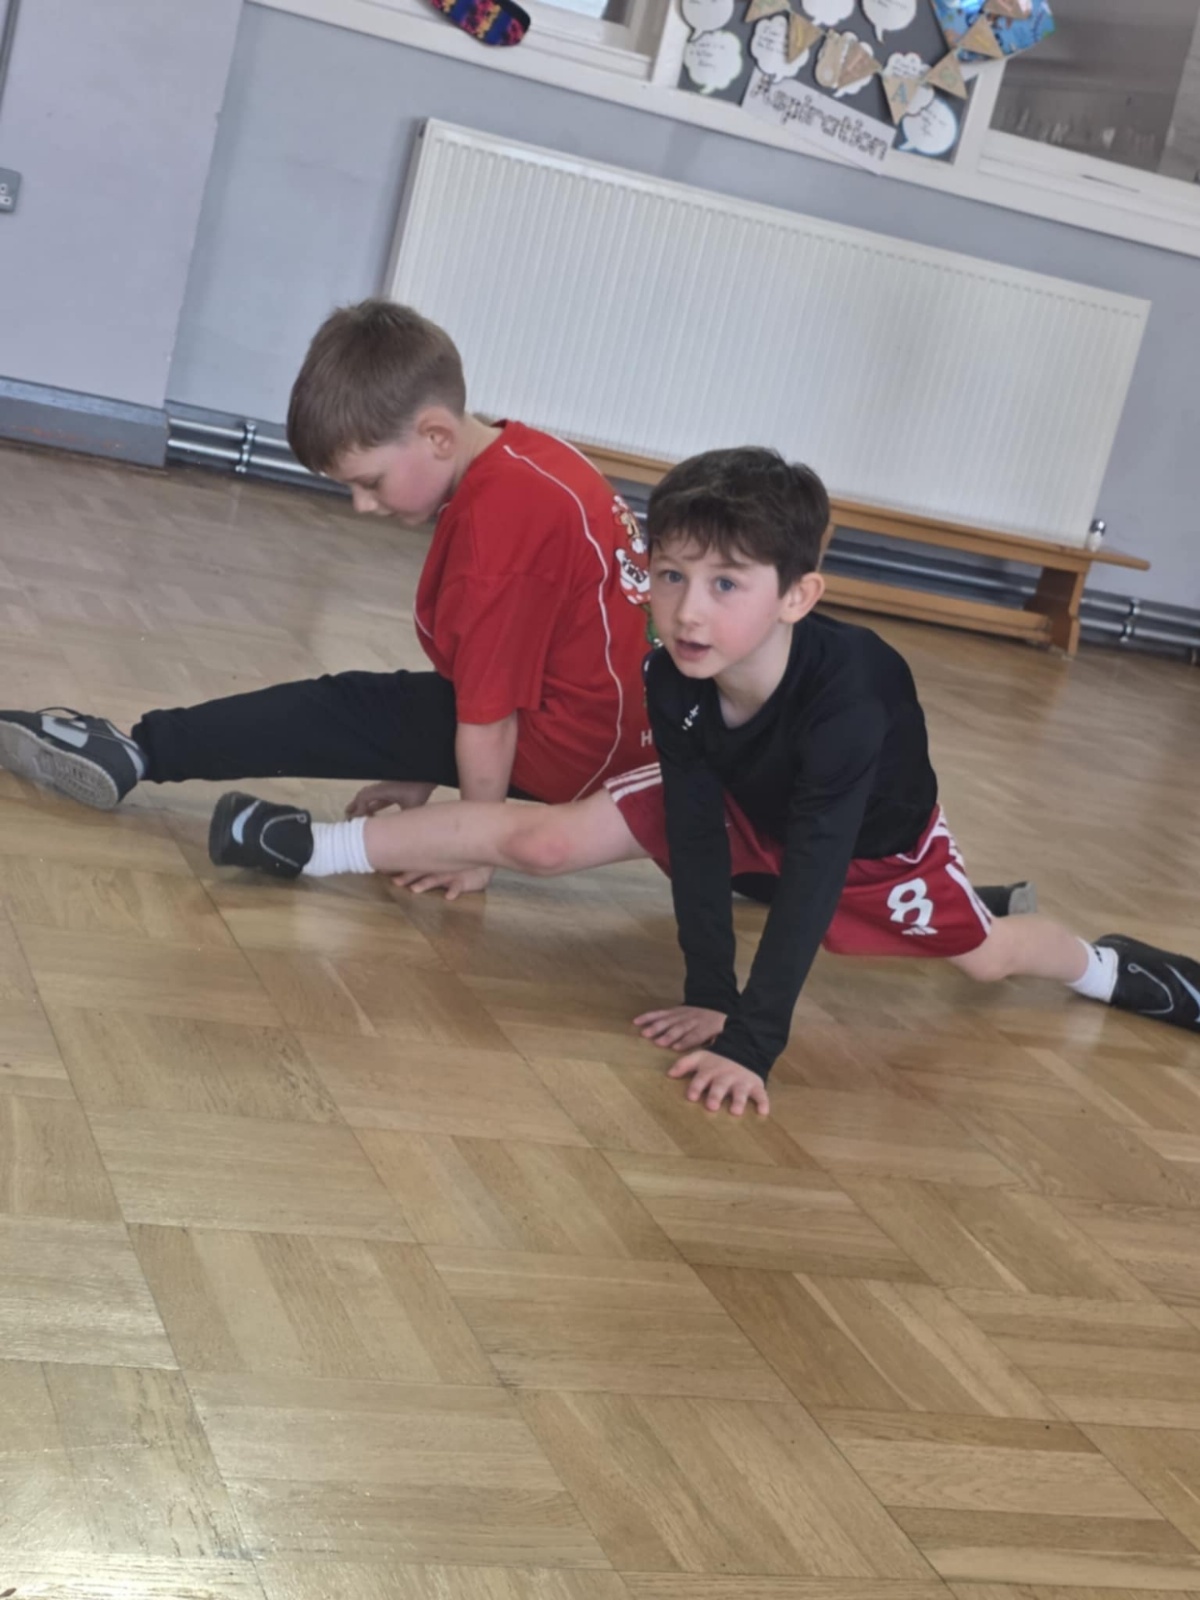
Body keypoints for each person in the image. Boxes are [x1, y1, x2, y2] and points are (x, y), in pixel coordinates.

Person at [207, 446, 1200, 1113]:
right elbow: (693, 830)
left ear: (798, 595)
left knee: (985, 959)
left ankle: (1110, 967)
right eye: (672, 576)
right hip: (735, 794)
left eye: (727, 584)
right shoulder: (675, 674)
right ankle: (307, 846)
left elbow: (811, 874)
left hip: (864, 846)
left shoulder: (852, 697)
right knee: (546, 838)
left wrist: (748, 1041)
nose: (688, 611)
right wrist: (708, 991)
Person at [0, 300, 656, 898]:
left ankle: (138, 751)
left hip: (576, 750)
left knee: (348, 710)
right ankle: (142, 749)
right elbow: (494, 671)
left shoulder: (499, 528)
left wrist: (471, 845)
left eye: (370, 482)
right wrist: (423, 766)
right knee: (402, 713)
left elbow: (488, 719)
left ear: (436, 436)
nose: (362, 506)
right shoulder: (530, 458)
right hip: (625, 736)